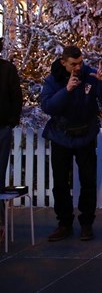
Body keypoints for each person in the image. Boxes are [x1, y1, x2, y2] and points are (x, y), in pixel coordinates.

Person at [40, 45, 102, 242]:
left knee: (88, 181)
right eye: (73, 64)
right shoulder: (53, 80)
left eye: (80, 62)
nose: (78, 67)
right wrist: (66, 90)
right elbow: (48, 106)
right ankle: (64, 223)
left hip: (85, 134)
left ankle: (86, 224)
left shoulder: (90, 75)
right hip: (61, 135)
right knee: (60, 183)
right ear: (63, 62)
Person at [0, 37, 23, 235]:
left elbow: (16, 96)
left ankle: (0, 225)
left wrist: (11, 120)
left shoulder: (7, 69)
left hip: (2, 127)